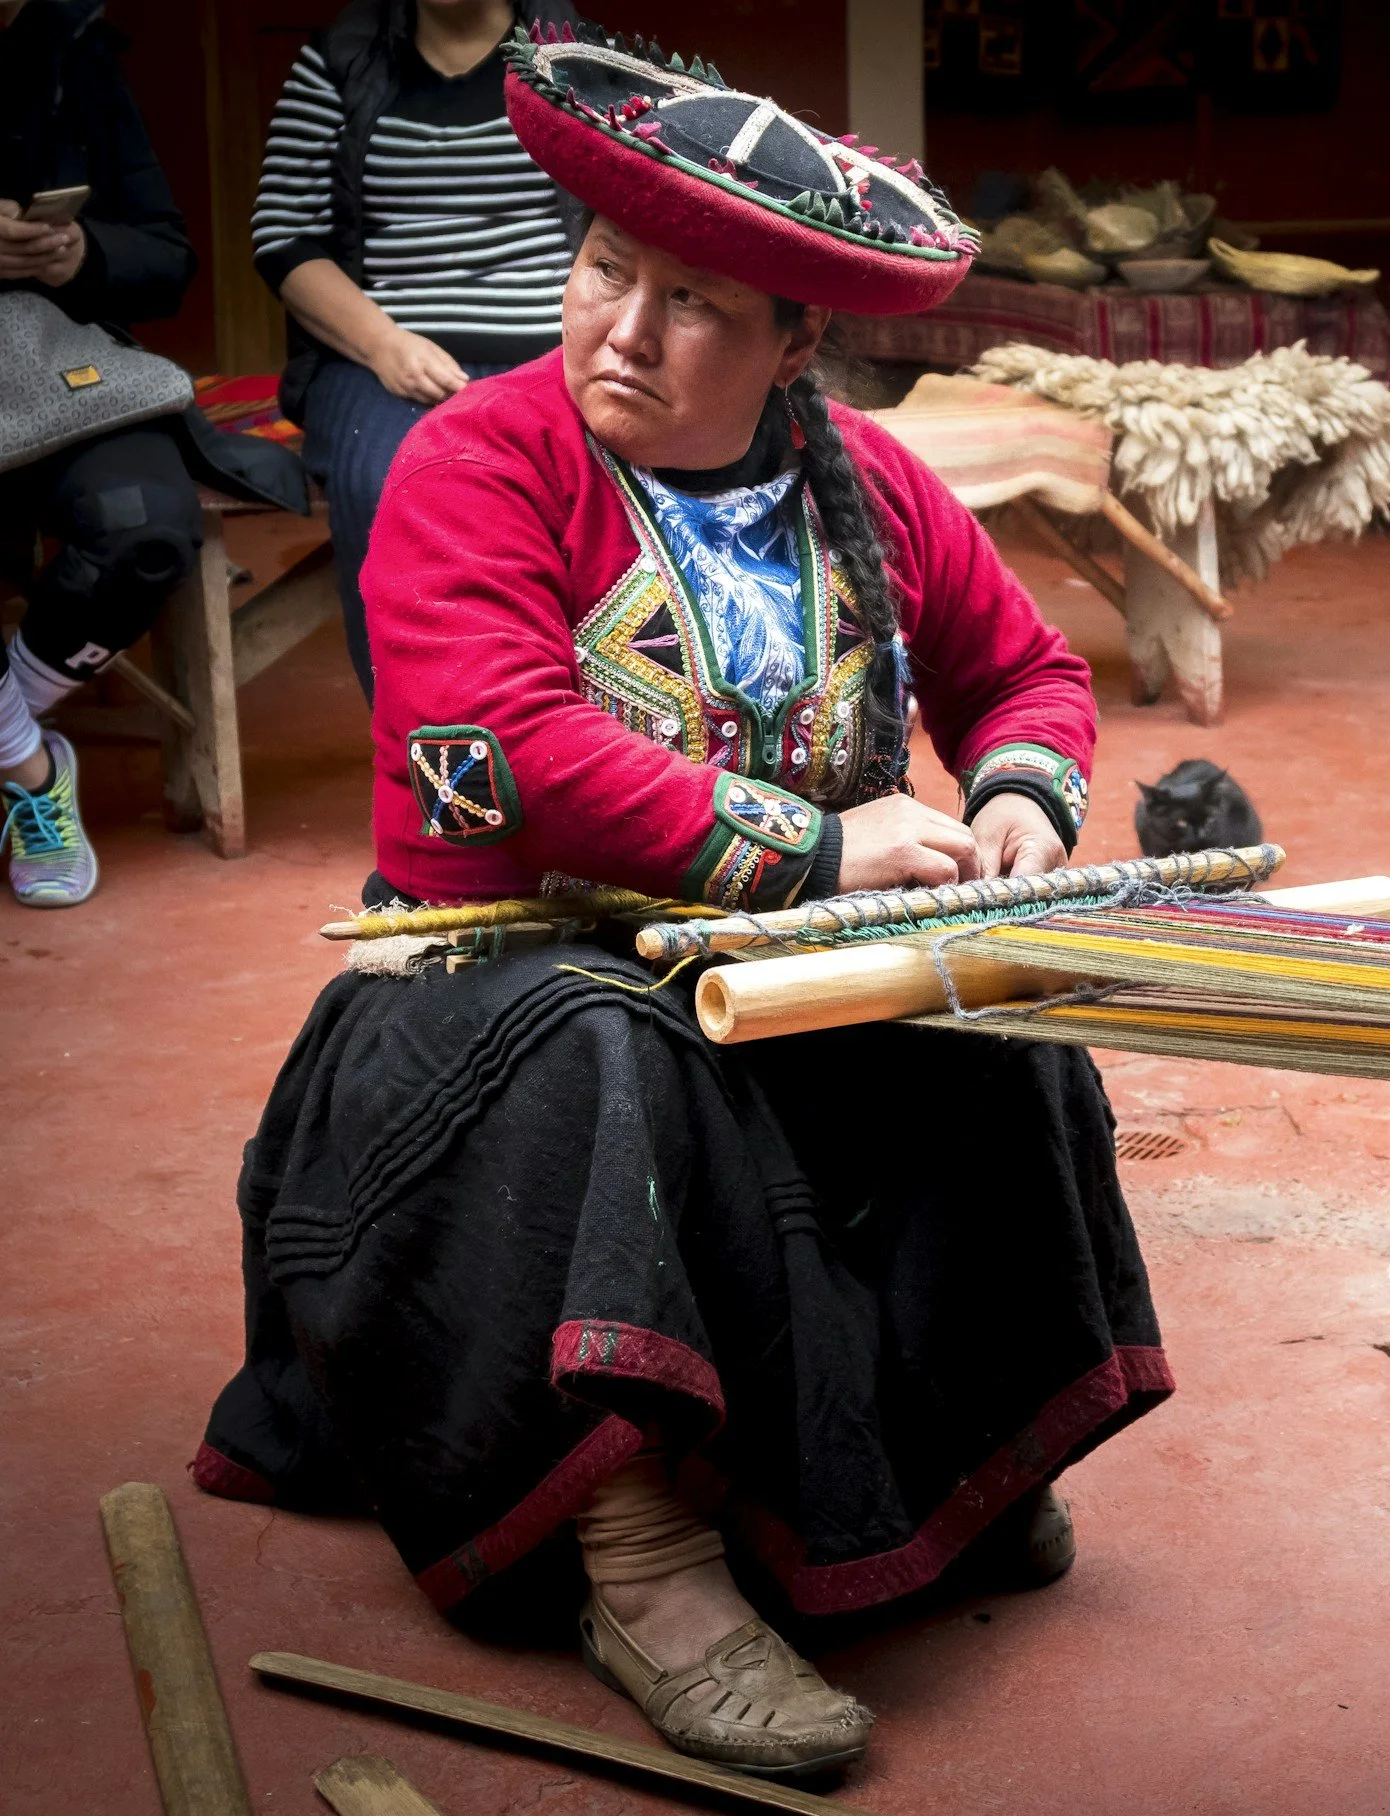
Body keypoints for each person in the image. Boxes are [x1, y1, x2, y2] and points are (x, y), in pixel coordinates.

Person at [194, 27, 1155, 1783]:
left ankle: (961, 1466)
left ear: (800, 341)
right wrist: (816, 849)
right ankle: (641, 1559)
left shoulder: (874, 481)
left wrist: (1017, 798)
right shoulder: (477, 464)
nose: (620, 330)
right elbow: (514, 749)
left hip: (758, 962)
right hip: (485, 995)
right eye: (602, 269)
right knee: (607, 1058)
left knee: (997, 1016)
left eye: (693, 302)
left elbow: (1023, 671)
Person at [254, 0, 580, 698]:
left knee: (588, 498)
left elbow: (629, 207)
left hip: (559, 354)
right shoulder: (338, 63)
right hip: (383, 360)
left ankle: (567, 729)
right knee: (389, 487)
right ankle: (419, 743)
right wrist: (382, 345)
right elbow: (284, 236)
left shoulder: (573, 58)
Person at [1, 0, 203, 906]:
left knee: (148, 527)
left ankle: (10, 720)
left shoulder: (76, 45)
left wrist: (79, 253)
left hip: (67, 368)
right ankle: (33, 772)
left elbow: (166, 256)